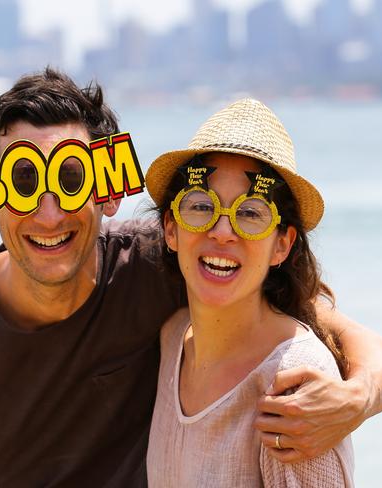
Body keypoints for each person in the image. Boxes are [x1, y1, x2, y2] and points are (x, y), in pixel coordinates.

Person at [0, 68, 382, 487]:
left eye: (71, 180)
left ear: (109, 191)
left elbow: (334, 332)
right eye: (24, 182)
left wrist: (357, 398)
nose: (49, 215)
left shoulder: (170, 261)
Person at [145, 98, 355, 486]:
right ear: (170, 229)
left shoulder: (294, 382)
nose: (222, 231)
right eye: (200, 207)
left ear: (282, 245)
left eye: (250, 213)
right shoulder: (172, 337)